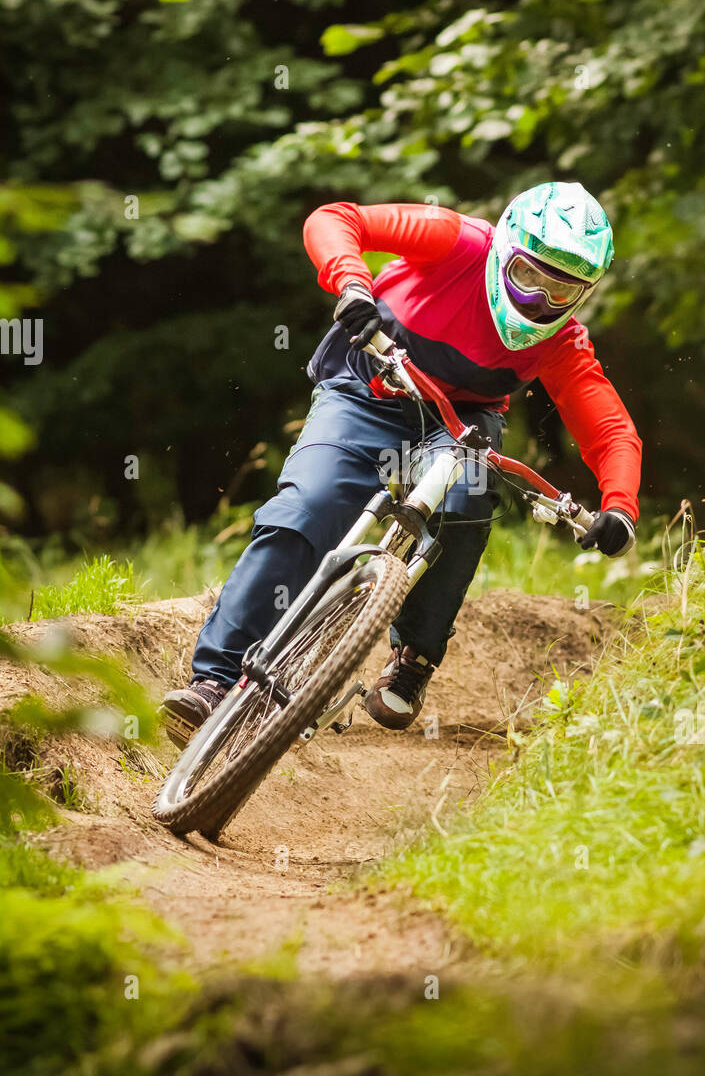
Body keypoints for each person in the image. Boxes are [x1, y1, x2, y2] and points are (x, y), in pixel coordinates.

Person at [161, 182, 642, 745]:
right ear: (503, 250)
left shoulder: (560, 341)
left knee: (465, 507)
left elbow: (609, 428)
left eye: (561, 290)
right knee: (309, 507)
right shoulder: (455, 240)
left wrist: (620, 508)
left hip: (459, 422)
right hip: (368, 387)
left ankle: (414, 655)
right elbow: (335, 218)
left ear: (582, 294)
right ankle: (216, 680)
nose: (539, 299)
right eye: (528, 275)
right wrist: (351, 284)